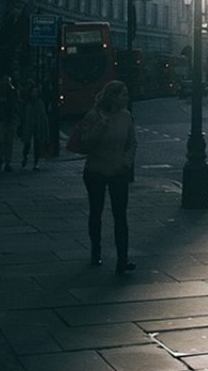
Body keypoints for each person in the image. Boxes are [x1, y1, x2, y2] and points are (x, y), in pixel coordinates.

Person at [76, 80, 138, 274]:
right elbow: (85, 143)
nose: (126, 98)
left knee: (121, 216)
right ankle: (96, 251)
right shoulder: (94, 116)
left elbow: (132, 143)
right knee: (96, 213)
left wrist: (126, 162)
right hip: (96, 171)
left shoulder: (127, 117)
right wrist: (101, 125)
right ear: (112, 96)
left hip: (118, 172)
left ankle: (123, 259)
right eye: (123, 95)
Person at [17, 84, 49, 170]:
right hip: (28, 125)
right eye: (33, 92)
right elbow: (22, 114)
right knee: (27, 144)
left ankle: (36, 162)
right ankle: (25, 156)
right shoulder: (26, 103)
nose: (35, 94)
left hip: (37, 125)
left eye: (36, 92)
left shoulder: (40, 102)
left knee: (37, 144)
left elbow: (43, 116)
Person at [0, 76, 18, 172]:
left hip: (9, 118)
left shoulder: (13, 91)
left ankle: (7, 161)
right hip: (0, 118)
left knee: (8, 141)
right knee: (0, 140)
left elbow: (16, 103)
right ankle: (0, 158)